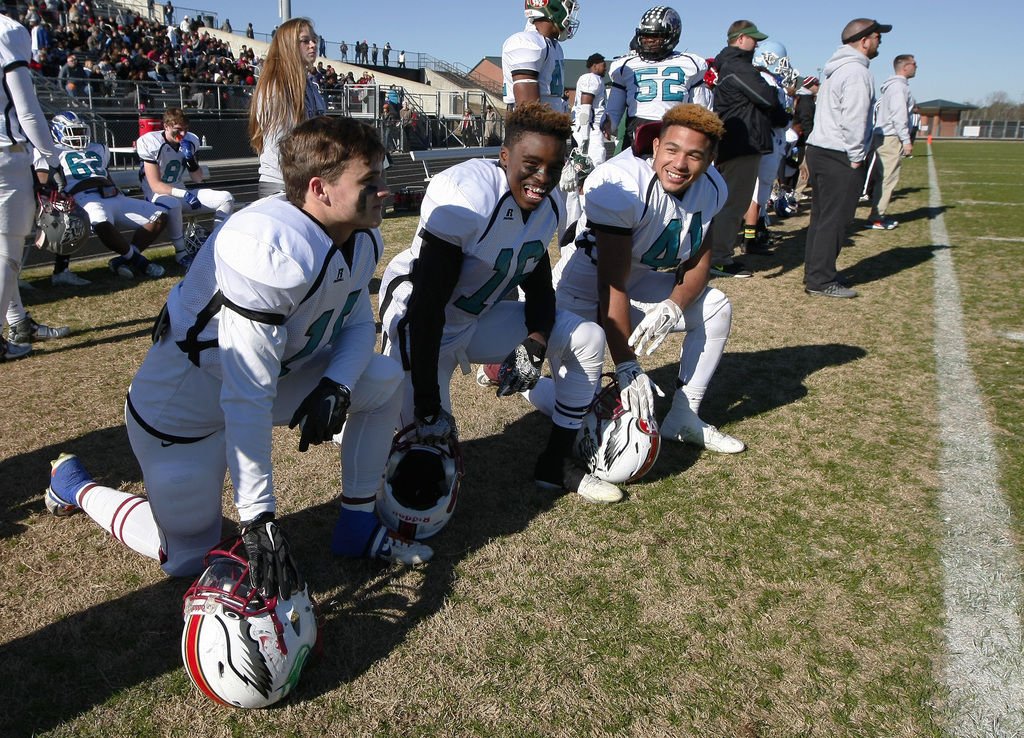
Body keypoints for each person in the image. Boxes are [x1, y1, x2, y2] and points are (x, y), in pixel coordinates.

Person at [44, 116, 432, 598]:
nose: (385, 192)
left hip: (263, 380)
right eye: (370, 182)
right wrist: (259, 517)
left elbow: (354, 318)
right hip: (184, 407)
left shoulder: (359, 235)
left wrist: (337, 385)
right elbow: (245, 392)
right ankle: (75, 485)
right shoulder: (269, 248)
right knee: (185, 553)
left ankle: (355, 527)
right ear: (320, 189)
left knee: (380, 377)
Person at [379, 103, 623, 505]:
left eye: (553, 167)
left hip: (478, 317)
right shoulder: (469, 194)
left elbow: (540, 283)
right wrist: (427, 405)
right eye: (531, 164)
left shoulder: (549, 205)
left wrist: (536, 341)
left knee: (587, 337)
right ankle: (381, 416)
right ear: (504, 156)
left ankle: (556, 463)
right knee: (427, 468)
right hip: (421, 326)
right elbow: (427, 309)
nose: (542, 178)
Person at [548, 104, 744, 455]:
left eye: (694, 155)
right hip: (580, 286)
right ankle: (508, 375)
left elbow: (700, 260)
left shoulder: (713, 187)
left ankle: (684, 416)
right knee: (580, 404)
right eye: (671, 149)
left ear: (711, 159)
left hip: (637, 280)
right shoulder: (622, 182)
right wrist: (626, 363)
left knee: (715, 306)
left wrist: (674, 303)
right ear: (655, 146)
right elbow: (611, 281)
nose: (680, 164)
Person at [803, 18, 891, 299]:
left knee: (821, 219)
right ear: (864, 40)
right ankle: (821, 279)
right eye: (877, 36)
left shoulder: (836, 68)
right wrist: (856, 157)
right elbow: (854, 118)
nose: (880, 41)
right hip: (839, 153)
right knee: (835, 220)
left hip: (821, 149)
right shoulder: (856, 72)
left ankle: (818, 272)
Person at [1, 11, 68, 360]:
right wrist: (50, 157)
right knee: (7, 253)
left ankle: (17, 321)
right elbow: (26, 110)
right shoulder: (7, 29)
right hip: (4, 154)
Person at [706, 20, 790, 278]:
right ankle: (719, 258)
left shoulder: (728, 64)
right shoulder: (738, 66)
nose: (757, 44)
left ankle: (716, 254)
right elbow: (767, 97)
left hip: (734, 141)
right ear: (741, 38)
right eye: (753, 39)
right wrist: (780, 114)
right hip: (741, 142)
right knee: (734, 202)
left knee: (726, 201)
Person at [49, 111, 168, 281]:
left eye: (81, 131)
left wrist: (113, 188)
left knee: (160, 216)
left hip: (111, 195)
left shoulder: (98, 148)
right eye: (73, 132)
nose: (79, 136)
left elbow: (105, 174)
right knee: (102, 224)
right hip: (84, 198)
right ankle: (140, 262)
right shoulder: (52, 151)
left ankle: (123, 259)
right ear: (57, 132)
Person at [137, 108, 235, 269]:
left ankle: (214, 246)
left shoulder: (190, 140)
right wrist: (183, 193)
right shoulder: (151, 142)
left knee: (226, 198)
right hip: (157, 196)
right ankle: (181, 253)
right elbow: (155, 185)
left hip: (179, 191)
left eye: (185, 129)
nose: (182, 134)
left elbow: (197, 178)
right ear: (166, 126)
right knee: (173, 204)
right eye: (178, 130)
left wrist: (190, 159)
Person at [606, 7, 710, 148]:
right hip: (637, 133)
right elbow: (613, 112)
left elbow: (701, 111)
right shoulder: (625, 65)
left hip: (676, 132)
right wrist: (607, 125)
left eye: (656, 36)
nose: (649, 41)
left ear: (672, 34)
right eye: (645, 35)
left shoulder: (691, 64)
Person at [249, 17, 326, 198]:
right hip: (283, 184)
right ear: (288, 44)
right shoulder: (277, 87)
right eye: (305, 41)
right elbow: (283, 144)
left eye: (315, 39)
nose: (313, 45)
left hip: (305, 181)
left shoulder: (310, 85)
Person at [867, 54, 916, 230]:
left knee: (884, 177)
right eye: (914, 64)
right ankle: (877, 217)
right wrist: (906, 140)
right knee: (888, 178)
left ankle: (878, 214)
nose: (916, 67)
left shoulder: (894, 87)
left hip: (886, 135)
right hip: (890, 136)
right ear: (904, 66)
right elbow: (899, 115)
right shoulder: (898, 88)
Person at [501, 0, 580, 111]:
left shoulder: (555, 47)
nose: (569, 16)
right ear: (552, 7)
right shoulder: (526, 42)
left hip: (550, 124)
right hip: (536, 126)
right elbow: (528, 113)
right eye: (569, 9)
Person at [572, 52, 610, 166]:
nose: (605, 68)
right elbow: (586, 106)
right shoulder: (591, 78)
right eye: (603, 65)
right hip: (589, 129)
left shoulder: (596, 79)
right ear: (594, 66)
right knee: (595, 163)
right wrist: (585, 137)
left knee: (587, 164)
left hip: (588, 127)